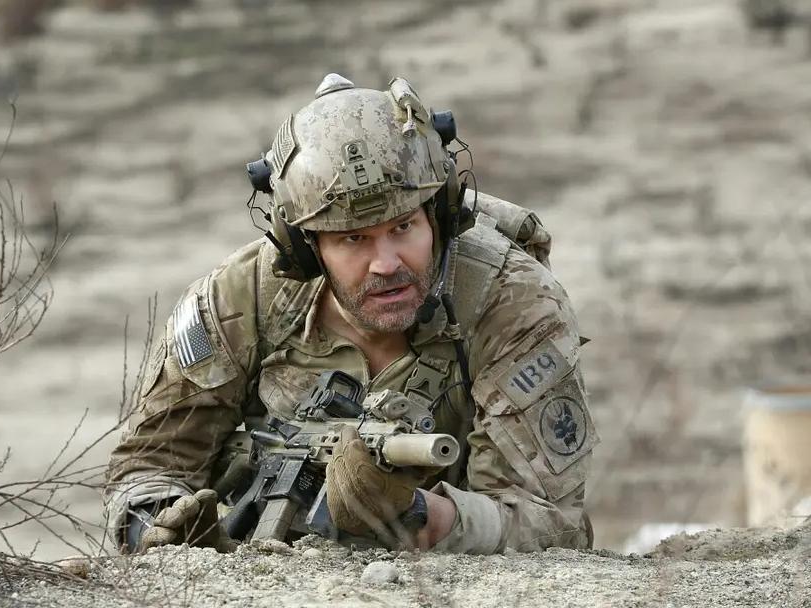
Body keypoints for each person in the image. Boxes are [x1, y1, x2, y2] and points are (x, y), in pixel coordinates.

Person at [104, 74, 597, 554]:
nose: (386, 263)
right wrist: (162, 531)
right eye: (353, 239)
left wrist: (415, 514)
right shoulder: (239, 298)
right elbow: (148, 464)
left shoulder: (512, 302)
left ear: (440, 214)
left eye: (403, 227)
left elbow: (549, 522)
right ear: (305, 247)